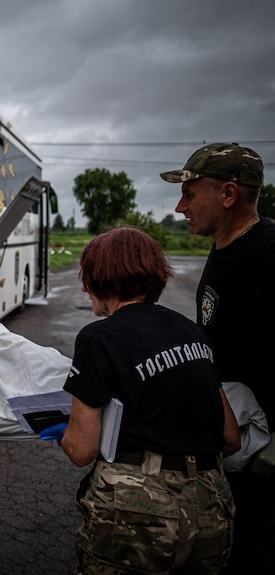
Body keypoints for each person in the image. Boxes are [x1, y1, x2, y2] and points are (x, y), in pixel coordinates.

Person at [41, 226, 240, 573]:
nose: (85, 288)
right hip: (212, 505)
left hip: (138, 512)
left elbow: (82, 450)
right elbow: (231, 437)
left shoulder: (98, 337)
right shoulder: (191, 331)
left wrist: (65, 433)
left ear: (102, 279)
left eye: (87, 277)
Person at [160, 142, 275, 573]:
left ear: (228, 194)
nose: (179, 205)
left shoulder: (266, 259)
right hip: (234, 443)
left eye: (190, 194)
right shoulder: (227, 245)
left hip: (262, 459)